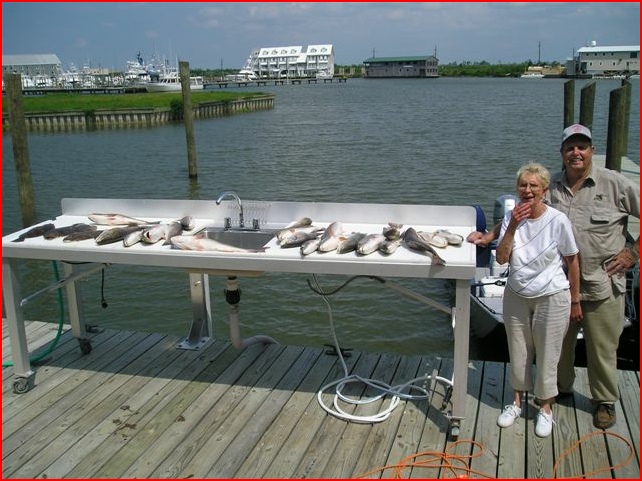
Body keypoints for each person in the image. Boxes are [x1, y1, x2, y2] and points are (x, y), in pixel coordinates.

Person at [468, 124, 640, 430]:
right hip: (558, 285)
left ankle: (604, 401)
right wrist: (489, 236)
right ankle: (557, 393)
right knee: (558, 349)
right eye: (570, 147)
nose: (576, 152)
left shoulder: (615, 184)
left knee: (602, 348)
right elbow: (520, 215)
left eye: (582, 146)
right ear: (562, 153)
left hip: (602, 282)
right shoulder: (550, 184)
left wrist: (633, 253)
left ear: (592, 151)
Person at [494, 163, 580, 438]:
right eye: (523, 185)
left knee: (548, 354)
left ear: (544, 190)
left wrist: (575, 300)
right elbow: (501, 258)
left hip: (552, 296)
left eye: (534, 186)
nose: (527, 190)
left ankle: (545, 408)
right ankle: (516, 403)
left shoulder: (558, 220)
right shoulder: (511, 217)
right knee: (518, 351)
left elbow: (573, 262)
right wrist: (513, 227)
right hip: (516, 295)